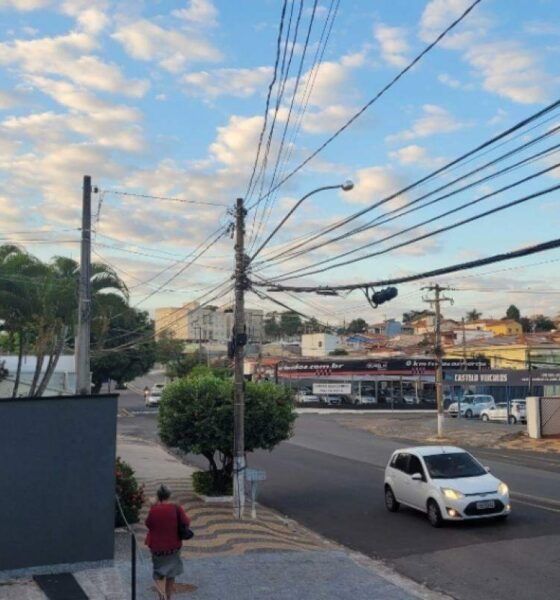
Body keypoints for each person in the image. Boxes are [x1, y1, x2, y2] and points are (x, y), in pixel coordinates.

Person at [145, 484, 191, 600]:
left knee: (159, 573)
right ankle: (169, 597)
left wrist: (153, 507)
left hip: (157, 548)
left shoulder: (153, 510)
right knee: (171, 573)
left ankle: (162, 597)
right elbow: (186, 522)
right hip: (173, 546)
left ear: (158, 496)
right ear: (169, 495)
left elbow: (148, 524)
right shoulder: (176, 508)